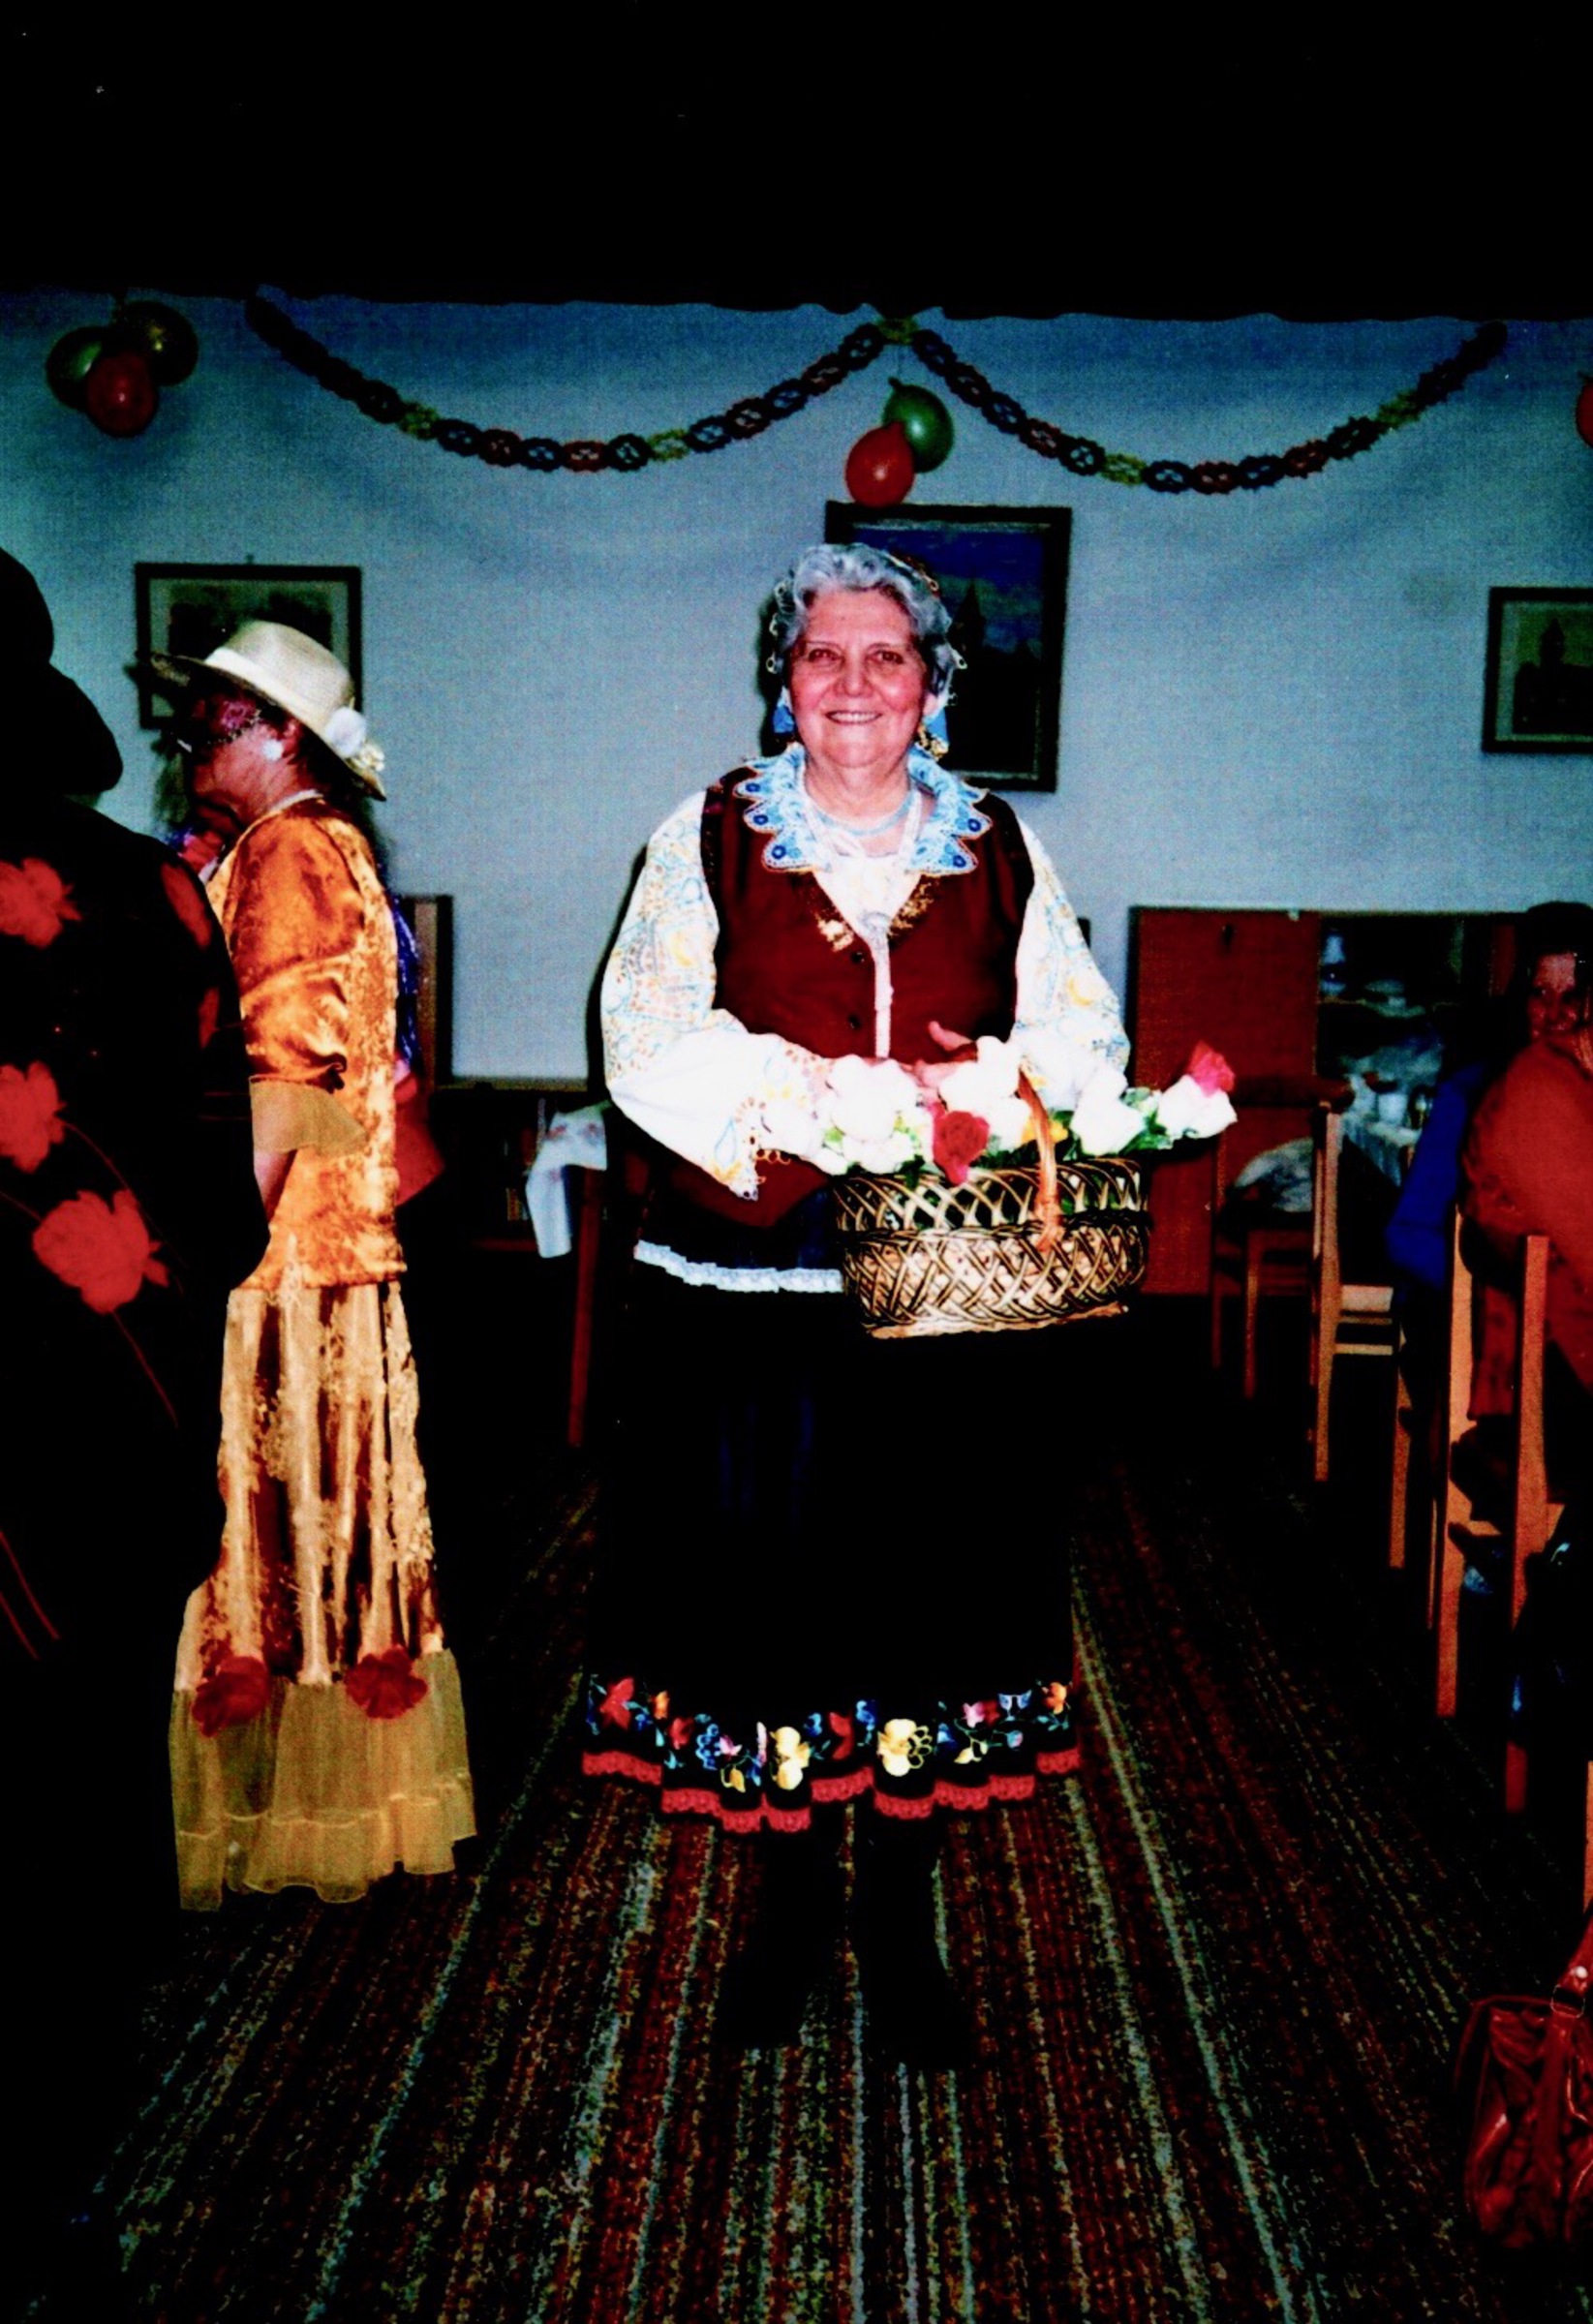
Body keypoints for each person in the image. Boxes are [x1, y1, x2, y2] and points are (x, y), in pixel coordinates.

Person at [589, 543, 1127, 2063]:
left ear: (931, 686)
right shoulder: (706, 835)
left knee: (928, 1603)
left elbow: (1078, 1032)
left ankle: (899, 1929)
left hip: (945, 1299)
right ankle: (783, 1920)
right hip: (756, 1292)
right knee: (774, 1610)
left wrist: (984, 1083)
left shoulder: (998, 847)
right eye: (821, 653)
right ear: (784, 678)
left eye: (884, 656)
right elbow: (645, 1034)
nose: (851, 683)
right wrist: (826, 1096)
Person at [0, 551, 266, 2312]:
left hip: (58, 1430)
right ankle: (59, 2171)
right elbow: (224, 1204)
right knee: (79, 1783)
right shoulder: (156, 888)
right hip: (109, 1427)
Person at [154, 620, 475, 1908]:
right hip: (324, 1236)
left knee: (270, 1516)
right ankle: (316, 1798)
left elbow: (281, 1072)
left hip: (283, 1252)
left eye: (212, 731)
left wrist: (215, 1249)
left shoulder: (290, 848)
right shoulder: (314, 843)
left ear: (280, 735)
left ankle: (277, 1808)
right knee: (321, 1519)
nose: (191, 754)